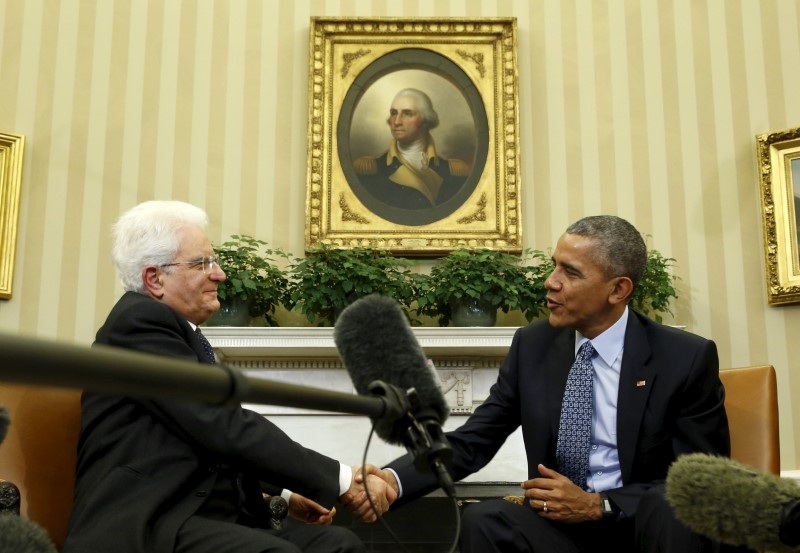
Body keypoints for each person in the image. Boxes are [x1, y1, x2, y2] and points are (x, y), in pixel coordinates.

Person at [361, 215, 748, 552]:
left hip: (645, 528)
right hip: (560, 532)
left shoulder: (683, 358)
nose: (551, 282)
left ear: (618, 289)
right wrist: (394, 481)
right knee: (486, 519)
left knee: (673, 509)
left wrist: (600, 504)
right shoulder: (533, 346)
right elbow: (474, 439)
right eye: (554, 267)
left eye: (571, 272)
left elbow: (702, 483)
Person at [63, 200, 395, 553]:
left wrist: (286, 493)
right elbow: (222, 425)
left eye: (214, 261)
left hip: (202, 519)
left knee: (337, 544)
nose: (219, 274)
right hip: (149, 522)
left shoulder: (179, 334)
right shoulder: (139, 324)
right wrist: (343, 481)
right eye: (202, 263)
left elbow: (204, 434)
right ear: (154, 278)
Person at [353, 88, 471, 210]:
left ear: (426, 121)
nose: (397, 122)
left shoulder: (454, 171)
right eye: (394, 113)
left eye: (407, 113)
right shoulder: (371, 170)